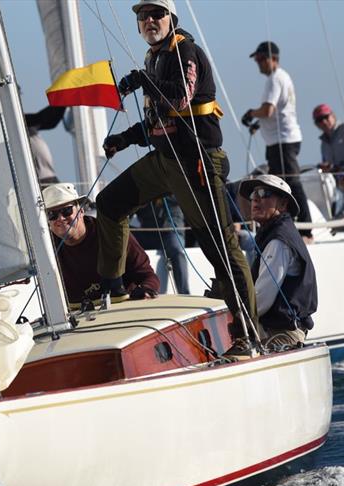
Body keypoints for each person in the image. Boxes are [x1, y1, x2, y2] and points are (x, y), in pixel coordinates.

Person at [97, 0, 257, 354]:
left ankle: (248, 335)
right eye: (144, 16)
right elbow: (158, 122)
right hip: (165, 161)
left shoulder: (186, 51)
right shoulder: (152, 59)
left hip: (197, 161)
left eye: (157, 14)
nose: (150, 20)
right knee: (108, 203)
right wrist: (123, 140)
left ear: (172, 19)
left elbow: (179, 101)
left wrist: (142, 81)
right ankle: (114, 288)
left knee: (220, 246)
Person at [43, 183, 159, 310]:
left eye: (66, 211)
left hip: (123, 311)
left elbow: (148, 276)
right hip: (79, 322)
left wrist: (146, 290)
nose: (60, 218)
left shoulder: (110, 233)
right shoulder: (46, 248)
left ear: (81, 210)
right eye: (52, 215)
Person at [242, 41, 312, 240]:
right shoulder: (283, 77)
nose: (258, 64)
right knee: (277, 184)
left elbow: (268, 110)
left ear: (271, 58)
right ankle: (283, 224)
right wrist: (259, 124)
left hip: (283, 142)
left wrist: (251, 113)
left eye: (260, 59)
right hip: (281, 141)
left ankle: (307, 230)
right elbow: (277, 112)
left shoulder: (274, 79)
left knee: (290, 182)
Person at [238, 174, 317, 350]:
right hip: (278, 331)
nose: (256, 199)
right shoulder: (277, 233)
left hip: (281, 336)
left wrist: (231, 314)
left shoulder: (278, 241)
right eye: (253, 194)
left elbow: (261, 300)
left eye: (264, 193)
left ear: (283, 204)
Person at [132, 197, 189, 294]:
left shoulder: (172, 188)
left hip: (171, 232)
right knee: (126, 236)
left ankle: (184, 293)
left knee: (176, 251)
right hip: (149, 234)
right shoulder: (143, 191)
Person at [24, 105, 66, 186]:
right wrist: (63, 101)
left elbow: (51, 122)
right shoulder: (16, 122)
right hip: (41, 180)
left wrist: (64, 102)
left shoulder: (25, 123)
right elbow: (41, 118)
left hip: (49, 178)